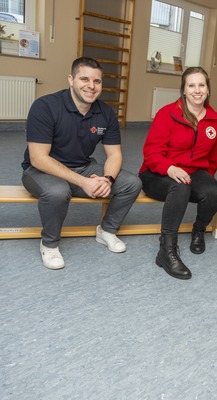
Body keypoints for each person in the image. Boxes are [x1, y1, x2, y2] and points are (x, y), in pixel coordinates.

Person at [21, 57, 143, 270]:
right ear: (71, 79)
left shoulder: (105, 113)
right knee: (58, 191)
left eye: (97, 81)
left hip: (83, 166)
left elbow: (114, 155)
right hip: (41, 170)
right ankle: (49, 244)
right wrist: (83, 182)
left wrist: (107, 178)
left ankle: (106, 231)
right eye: (84, 79)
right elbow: (38, 158)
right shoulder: (45, 106)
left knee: (132, 183)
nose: (91, 86)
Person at [139, 66, 217, 280]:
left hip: (193, 171)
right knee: (181, 187)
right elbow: (151, 153)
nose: (197, 90)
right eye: (191, 85)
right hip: (156, 172)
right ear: (184, 90)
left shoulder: (215, 120)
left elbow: (213, 159)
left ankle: (198, 230)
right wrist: (169, 168)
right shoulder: (167, 113)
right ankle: (167, 250)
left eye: (201, 85)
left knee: (213, 192)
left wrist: (206, 182)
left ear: (208, 89)